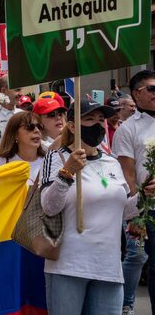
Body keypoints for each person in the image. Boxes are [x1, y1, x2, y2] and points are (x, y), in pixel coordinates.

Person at [41, 98, 152, 315]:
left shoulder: (112, 162)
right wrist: (67, 172)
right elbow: (49, 207)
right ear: (72, 125)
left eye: (101, 119)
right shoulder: (56, 158)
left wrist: (145, 195)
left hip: (109, 267)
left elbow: (124, 211)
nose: (98, 124)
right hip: (68, 266)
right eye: (90, 119)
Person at [113, 70, 155, 314]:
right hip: (149, 210)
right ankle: (126, 302)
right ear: (136, 93)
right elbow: (127, 174)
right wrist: (136, 214)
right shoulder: (127, 129)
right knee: (142, 259)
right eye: (152, 88)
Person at [0, 111, 46, 185]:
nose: (37, 130)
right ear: (15, 134)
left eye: (39, 126)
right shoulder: (2, 162)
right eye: (30, 127)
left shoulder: (48, 161)